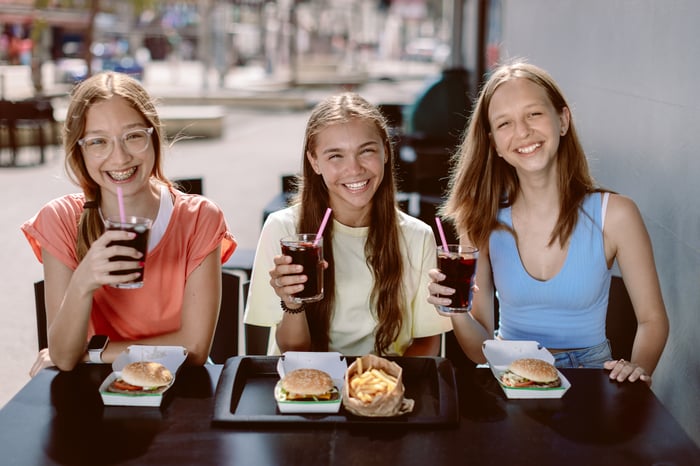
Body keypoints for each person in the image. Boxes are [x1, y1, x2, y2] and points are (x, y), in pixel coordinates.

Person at [428, 60, 669, 384]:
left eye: (534, 114)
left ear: (563, 120)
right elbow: (477, 351)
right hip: (510, 375)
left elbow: (653, 320)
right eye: (505, 124)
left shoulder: (617, 214)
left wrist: (637, 368)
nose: (523, 131)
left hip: (592, 378)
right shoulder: (479, 220)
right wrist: (456, 311)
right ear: (495, 144)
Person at [22, 71, 236, 375]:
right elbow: (65, 355)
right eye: (98, 142)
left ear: (153, 136)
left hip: (181, 387)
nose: (119, 157)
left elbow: (195, 348)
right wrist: (83, 281)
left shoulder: (200, 217)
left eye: (133, 136)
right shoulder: (61, 219)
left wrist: (94, 352)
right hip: (93, 393)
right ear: (79, 151)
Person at [244, 92, 451, 356]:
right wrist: (292, 302)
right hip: (306, 384)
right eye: (335, 156)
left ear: (386, 152)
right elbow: (293, 349)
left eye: (366, 151)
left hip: (387, 386)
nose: (354, 169)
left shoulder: (418, 236)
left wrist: (376, 387)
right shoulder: (284, 230)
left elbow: (427, 344)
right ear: (314, 162)